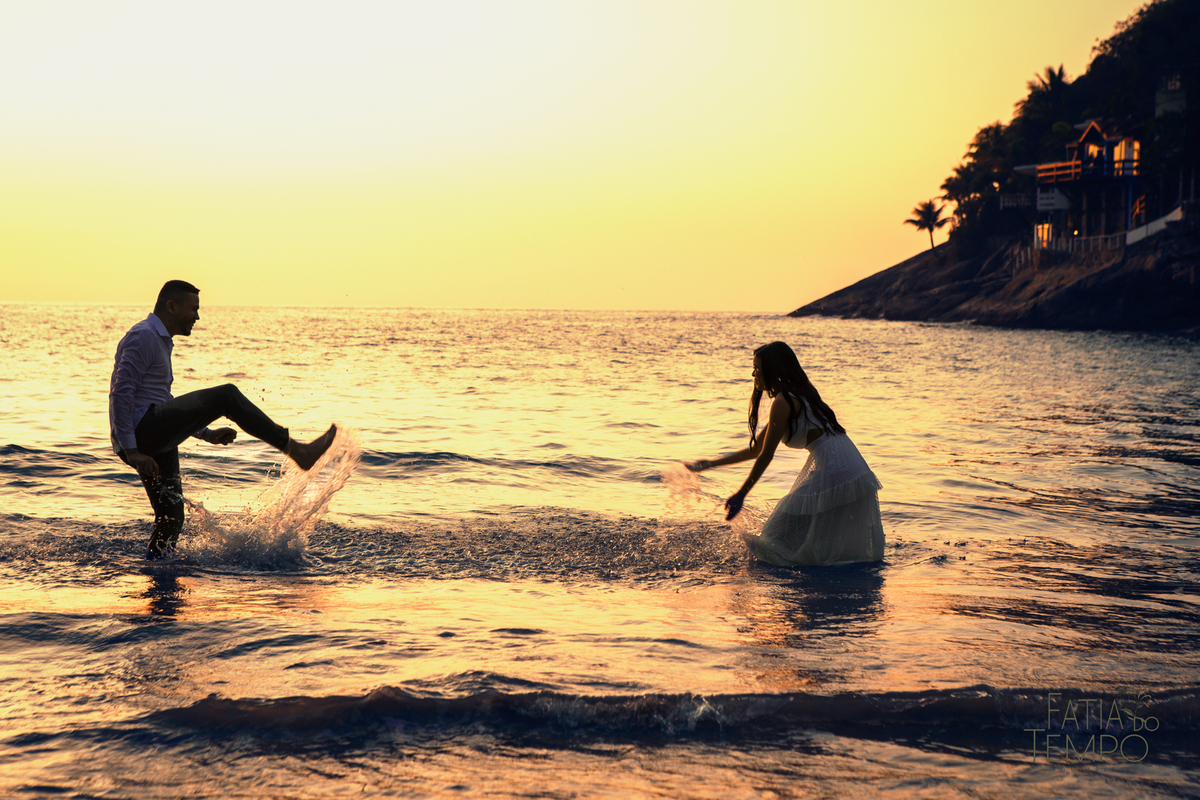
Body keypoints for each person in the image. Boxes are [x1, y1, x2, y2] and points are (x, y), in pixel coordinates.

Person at [110, 280, 337, 558]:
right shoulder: (143, 336)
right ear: (171, 307)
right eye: (193, 309)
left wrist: (206, 434)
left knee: (171, 518)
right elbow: (121, 394)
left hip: (149, 434)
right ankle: (295, 449)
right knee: (226, 396)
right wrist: (132, 450)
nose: (197, 316)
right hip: (142, 434)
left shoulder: (159, 341)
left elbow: (159, 400)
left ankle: (157, 572)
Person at [686, 341, 884, 566]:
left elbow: (765, 456)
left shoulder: (784, 402)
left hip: (836, 469)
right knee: (810, 539)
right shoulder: (797, 396)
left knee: (772, 537)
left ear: (772, 370)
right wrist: (709, 464)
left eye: (757, 368)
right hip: (853, 467)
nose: (753, 373)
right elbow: (756, 449)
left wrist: (742, 494)